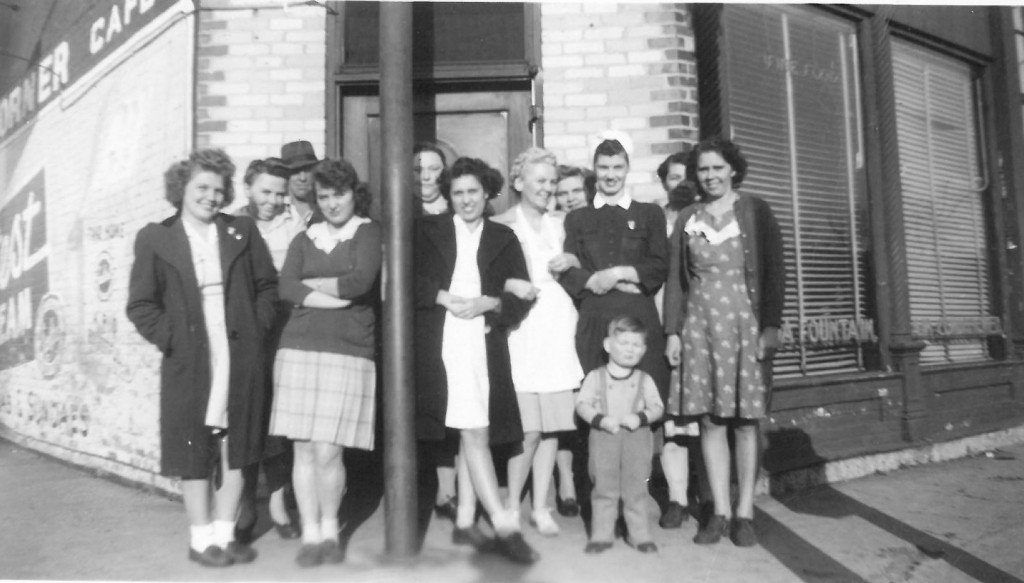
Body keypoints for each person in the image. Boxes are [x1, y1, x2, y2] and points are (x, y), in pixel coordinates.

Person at [126, 148, 278, 567]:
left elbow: (267, 286)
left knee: (237, 446)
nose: (211, 197)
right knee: (194, 449)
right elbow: (141, 305)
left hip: (238, 354)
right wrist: (172, 338)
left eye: (218, 189)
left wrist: (257, 326)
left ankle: (225, 536)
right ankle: (200, 539)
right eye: (201, 188)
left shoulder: (241, 230)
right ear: (181, 189)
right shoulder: (156, 238)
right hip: (190, 359)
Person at [414, 157, 539, 564]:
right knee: (471, 431)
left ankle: (476, 519)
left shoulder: (503, 236)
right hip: (440, 340)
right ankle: (503, 524)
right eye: (458, 193)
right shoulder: (428, 230)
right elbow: (403, 277)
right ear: (448, 197)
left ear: (487, 193)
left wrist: (490, 304)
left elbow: (521, 296)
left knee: (474, 430)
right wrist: (441, 296)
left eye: (473, 192)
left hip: (482, 342)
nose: (466, 200)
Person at [663, 136, 785, 547]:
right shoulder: (688, 217)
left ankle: (745, 514)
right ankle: (718, 511)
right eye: (703, 169)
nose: (711, 176)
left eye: (718, 167)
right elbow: (677, 280)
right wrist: (672, 332)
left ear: (732, 169)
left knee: (747, 422)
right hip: (700, 327)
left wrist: (771, 326)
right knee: (710, 421)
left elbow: (775, 273)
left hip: (744, 326)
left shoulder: (755, 210)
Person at [268, 158, 383, 567]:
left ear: (354, 193)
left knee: (328, 450)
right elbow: (286, 285)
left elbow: (362, 282)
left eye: (340, 194)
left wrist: (310, 288)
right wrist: (335, 297)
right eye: (324, 197)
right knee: (302, 449)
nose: (332, 204)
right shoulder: (305, 237)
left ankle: (332, 529)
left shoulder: (367, 232)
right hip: (298, 348)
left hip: (347, 349)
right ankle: (311, 532)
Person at [493, 148, 584, 537]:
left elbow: (583, 267)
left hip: (558, 329)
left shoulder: (562, 225)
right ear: (519, 184)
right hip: (523, 332)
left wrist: (574, 263)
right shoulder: (500, 225)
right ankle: (513, 504)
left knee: (552, 428)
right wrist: (509, 284)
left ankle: (541, 506)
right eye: (540, 181)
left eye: (552, 181)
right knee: (528, 428)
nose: (548, 189)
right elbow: (482, 276)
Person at [558, 138, 670, 427]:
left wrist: (618, 273)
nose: (610, 175)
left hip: (638, 318)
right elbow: (569, 270)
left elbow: (659, 266)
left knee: (644, 405)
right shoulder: (577, 218)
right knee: (595, 406)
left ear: (627, 168)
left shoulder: (649, 214)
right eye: (604, 167)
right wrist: (595, 279)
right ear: (594, 169)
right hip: (595, 318)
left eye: (617, 167)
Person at [233, 158, 303, 543]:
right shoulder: (228, 226)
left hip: (282, 332)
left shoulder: (295, 226)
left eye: (280, 193)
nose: (273, 200)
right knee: (243, 422)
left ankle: (277, 502)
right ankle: (244, 506)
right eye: (266, 191)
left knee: (277, 420)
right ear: (248, 189)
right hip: (242, 337)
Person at [575, 316, 664, 554]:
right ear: (608, 345)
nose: (629, 350)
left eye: (636, 345)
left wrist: (641, 417)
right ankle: (602, 534)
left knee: (636, 487)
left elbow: (658, 407)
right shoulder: (596, 377)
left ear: (643, 350)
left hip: (637, 440)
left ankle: (639, 534)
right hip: (604, 439)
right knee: (604, 486)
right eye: (623, 343)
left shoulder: (645, 380)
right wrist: (600, 420)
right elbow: (582, 404)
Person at [655, 157, 706, 530]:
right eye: (674, 178)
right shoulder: (655, 221)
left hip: (701, 329)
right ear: (665, 184)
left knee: (704, 419)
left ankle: (709, 497)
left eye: (687, 177)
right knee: (672, 421)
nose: (681, 183)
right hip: (661, 328)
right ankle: (677, 498)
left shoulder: (707, 220)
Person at [280, 140, 320, 237]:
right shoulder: (277, 211)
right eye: (295, 171)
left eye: (307, 170)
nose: (302, 178)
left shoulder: (326, 209)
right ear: (286, 175)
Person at [414, 143, 451, 216]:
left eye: (434, 169)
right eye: (419, 170)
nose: (426, 177)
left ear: (445, 171)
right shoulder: (399, 210)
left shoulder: (459, 206)